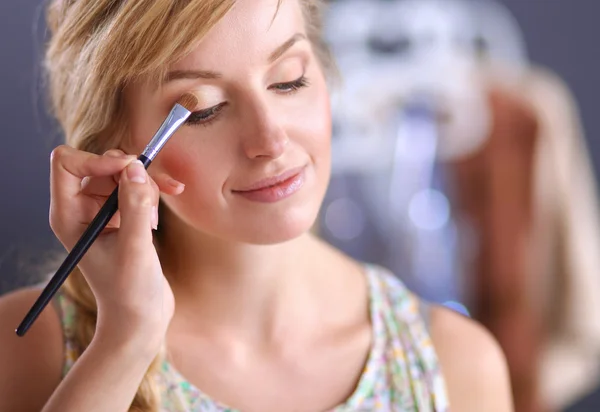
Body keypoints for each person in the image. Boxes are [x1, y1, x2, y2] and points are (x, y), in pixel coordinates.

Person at [0, 0, 513, 411]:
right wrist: (125, 343)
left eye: (289, 79)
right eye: (204, 110)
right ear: (118, 149)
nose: (269, 139)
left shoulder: (453, 365)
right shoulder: (28, 351)